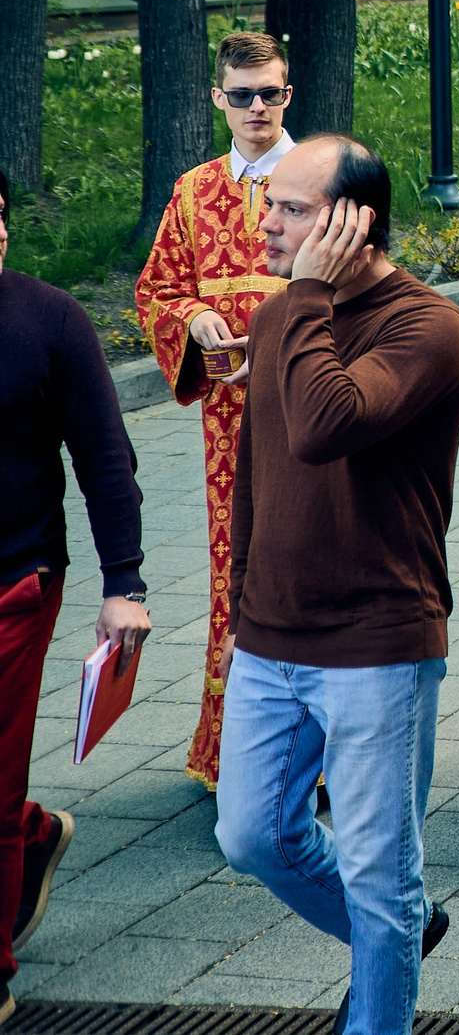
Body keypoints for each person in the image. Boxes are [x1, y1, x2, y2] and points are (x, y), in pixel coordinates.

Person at [216, 136, 459, 1035]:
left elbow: (328, 425)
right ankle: (398, 933)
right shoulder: (283, 313)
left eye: (291, 208)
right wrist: (242, 605)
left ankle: (382, 989)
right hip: (271, 635)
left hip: (377, 640)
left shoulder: (428, 327)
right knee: (250, 837)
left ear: (354, 222)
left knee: (377, 872)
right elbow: (259, 469)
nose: (267, 224)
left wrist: (312, 298)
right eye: (269, 203)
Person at [1, 168, 148, 1022]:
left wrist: (122, 581)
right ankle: (33, 833)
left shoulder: (49, 319)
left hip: (16, 580)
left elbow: (104, 458)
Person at [134, 29, 292, 789]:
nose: (257, 107)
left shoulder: (319, 175)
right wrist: (193, 317)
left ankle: (317, 753)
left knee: (308, 560)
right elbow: (155, 290)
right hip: (230, 425)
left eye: (271, 93)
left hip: (309, 408)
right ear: (218, 99)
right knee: (237, 570)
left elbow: (361, 285)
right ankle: (234, 749)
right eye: (242, 95)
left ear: (287, 94)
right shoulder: (195, 191)